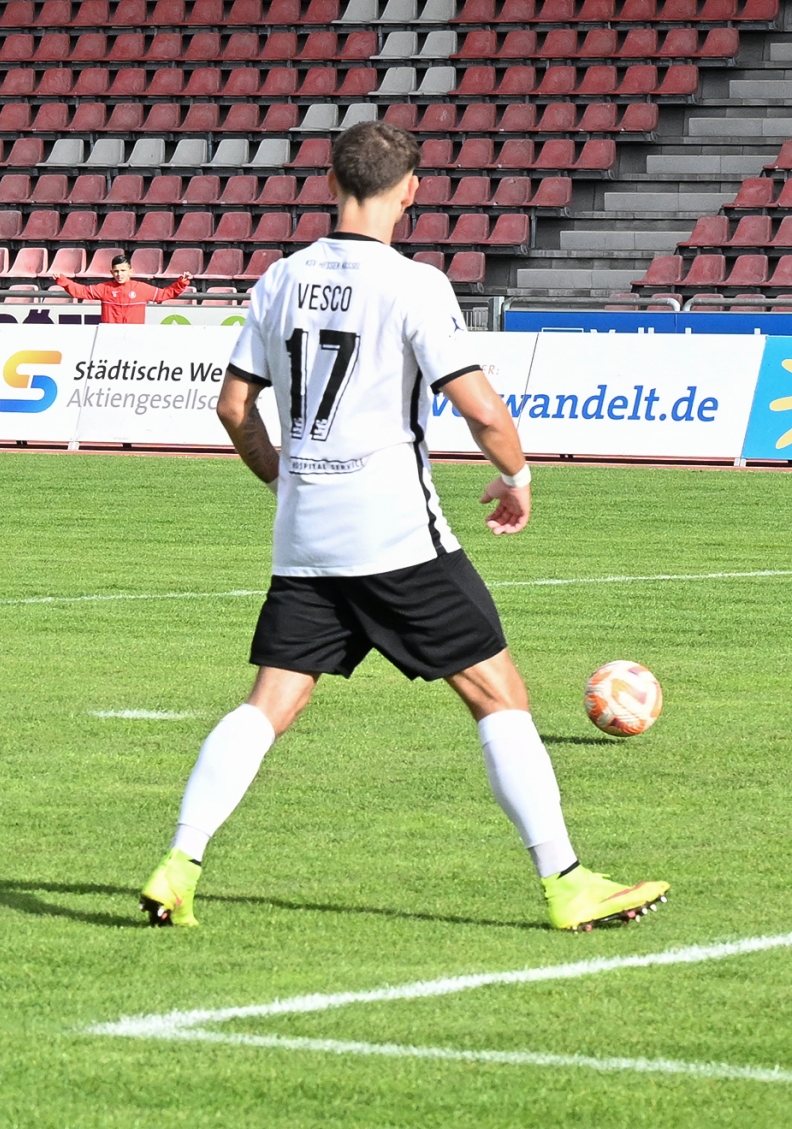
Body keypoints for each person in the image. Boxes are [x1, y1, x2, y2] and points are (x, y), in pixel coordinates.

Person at [137, 121, 668, 933]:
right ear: (411, 190)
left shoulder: (280, 278)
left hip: (307, 535)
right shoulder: (414, 285)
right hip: (394, 533)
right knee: (499, 694)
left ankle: (179, 863)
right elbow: (482, 410)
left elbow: (234, 407)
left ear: (329, 182)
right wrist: (517, 478)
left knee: (269, 702)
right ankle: (567, 882)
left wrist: (282, 478)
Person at [52, 257, 191, 324]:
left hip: (134, 336)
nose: (120, 274)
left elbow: (164, 294)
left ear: (131, 271)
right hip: (110, 336)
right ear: (112, 272)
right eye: (116, 271)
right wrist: (63, 281)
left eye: (123, 271)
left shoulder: (141, 288)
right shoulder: (105, 288)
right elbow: (81, 291)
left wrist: (181, 283)